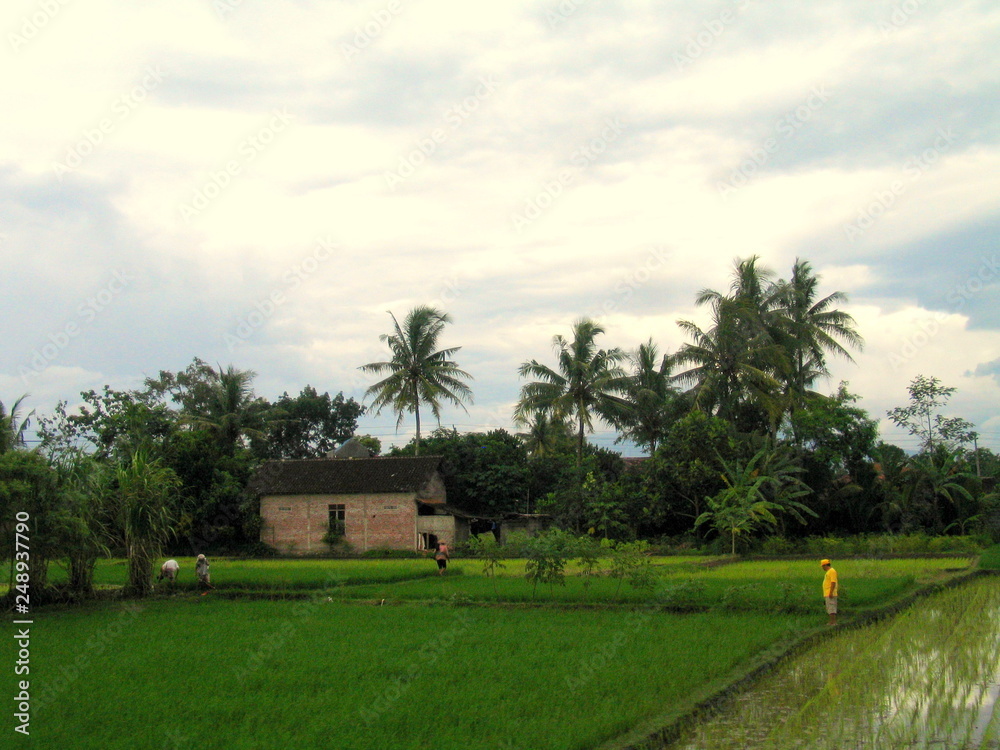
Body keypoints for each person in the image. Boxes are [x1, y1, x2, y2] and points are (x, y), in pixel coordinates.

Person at [821, 559, 838, 625]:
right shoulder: (829, 572)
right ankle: (831, 622)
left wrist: (831, 592)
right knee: (829, 607)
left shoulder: (832, 571)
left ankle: (833, 622)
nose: (822, 568)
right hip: (827, 593)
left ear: (825, 565)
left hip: (830, 593)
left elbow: (833, 582)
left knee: (831, 607)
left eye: (822, 566)